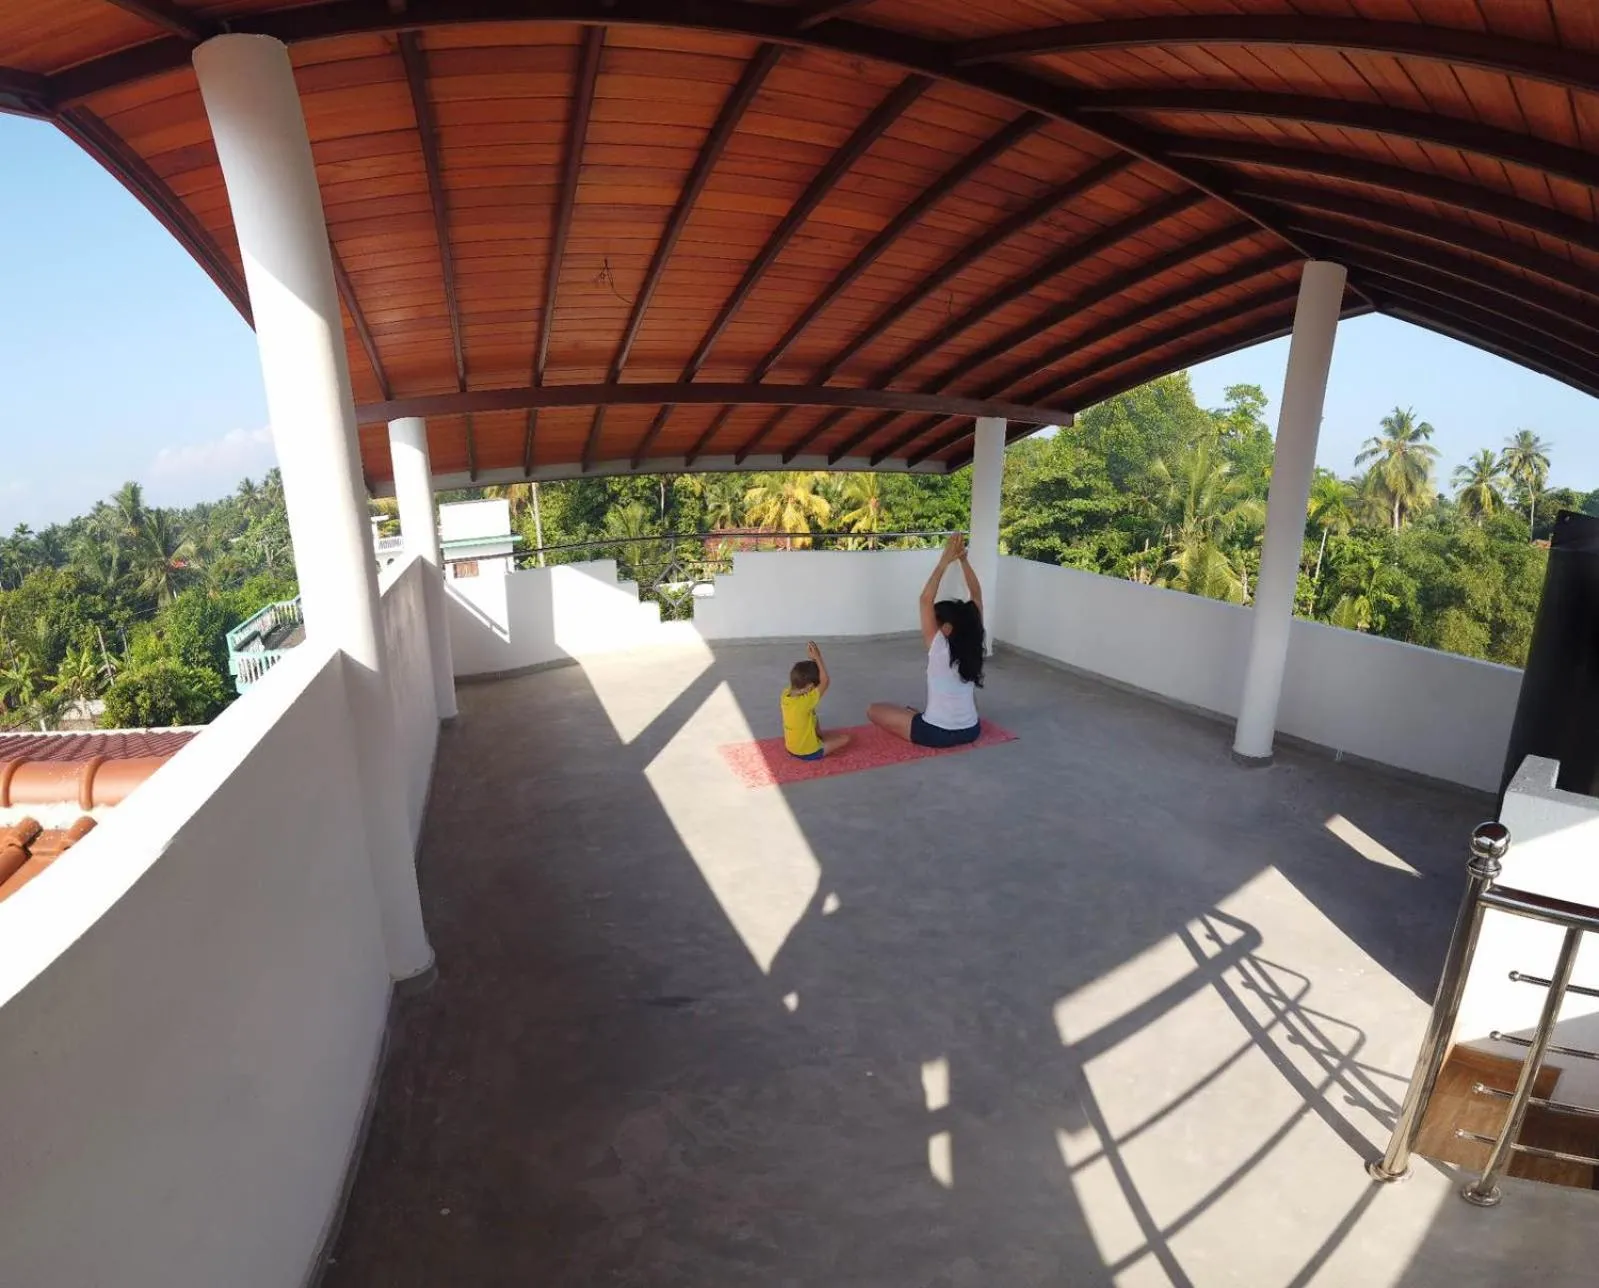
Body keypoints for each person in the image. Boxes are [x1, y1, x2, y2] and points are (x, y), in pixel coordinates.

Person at [867, 531, 984, 747]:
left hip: (935, 734)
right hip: (971, 730)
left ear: (947, 627)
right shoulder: (974, 642)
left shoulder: (939, 646)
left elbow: (925, 600)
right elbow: (976, 595)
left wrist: (944, 561)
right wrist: (963, 560)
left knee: (874, 710)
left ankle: (920, 718)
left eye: (938, 623)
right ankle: (922, 715)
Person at [782, 641, 852, 761]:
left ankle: (818, 737)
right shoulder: (805, 701)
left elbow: (807, 676)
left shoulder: (785, 694)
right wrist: (817, 657)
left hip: (790, 747)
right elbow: (825, 681)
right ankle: (818, 743)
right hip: (809, 752)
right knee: (846, 738)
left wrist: (813, 661)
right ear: (809, 687)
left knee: (812, 714)